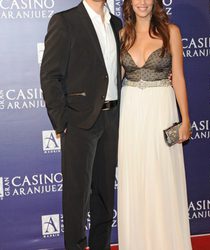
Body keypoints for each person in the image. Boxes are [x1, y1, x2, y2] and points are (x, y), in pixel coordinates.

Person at [40, 0, 122, 249]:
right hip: (78, 121)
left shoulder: (116, 23)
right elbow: (50, 75)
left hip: (112, 118)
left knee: (105, 196)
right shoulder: (64, 21)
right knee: (77, 197)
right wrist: (62, 121)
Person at [117, 0, 192, 249]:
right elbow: (115, 78)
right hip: (130, 112)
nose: (142, 2)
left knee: (161, 176)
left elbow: (178, 77)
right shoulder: (122, 35)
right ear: (128, 3)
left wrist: (185, 119)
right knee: (135, 176)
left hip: (161, 108)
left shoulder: (171, 32)